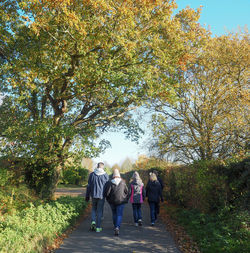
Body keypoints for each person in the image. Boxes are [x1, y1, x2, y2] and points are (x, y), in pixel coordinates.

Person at [103, 169, 129, 236]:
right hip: (121, 201)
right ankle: (117, 227)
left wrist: (108, 199)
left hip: (112, 201)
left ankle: (115, 226)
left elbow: (107, 193)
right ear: (119, 175)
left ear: (113, 175)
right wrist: (125, 198)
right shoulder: (123, 182)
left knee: (114, 213)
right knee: (119, 214)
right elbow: (127, 191)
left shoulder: (109, 183)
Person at [85, 162, 109, 232]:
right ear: (102, 167)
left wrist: (87, 196)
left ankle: (93, 221)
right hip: (101, 196)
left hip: (93, 195)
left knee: (93, 209)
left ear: (97, 166)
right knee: (99, 211)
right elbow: (107, 187)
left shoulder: (92, 174)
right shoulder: (105, 175)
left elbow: (88, 186)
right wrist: (107, 196)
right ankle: (98, 228)